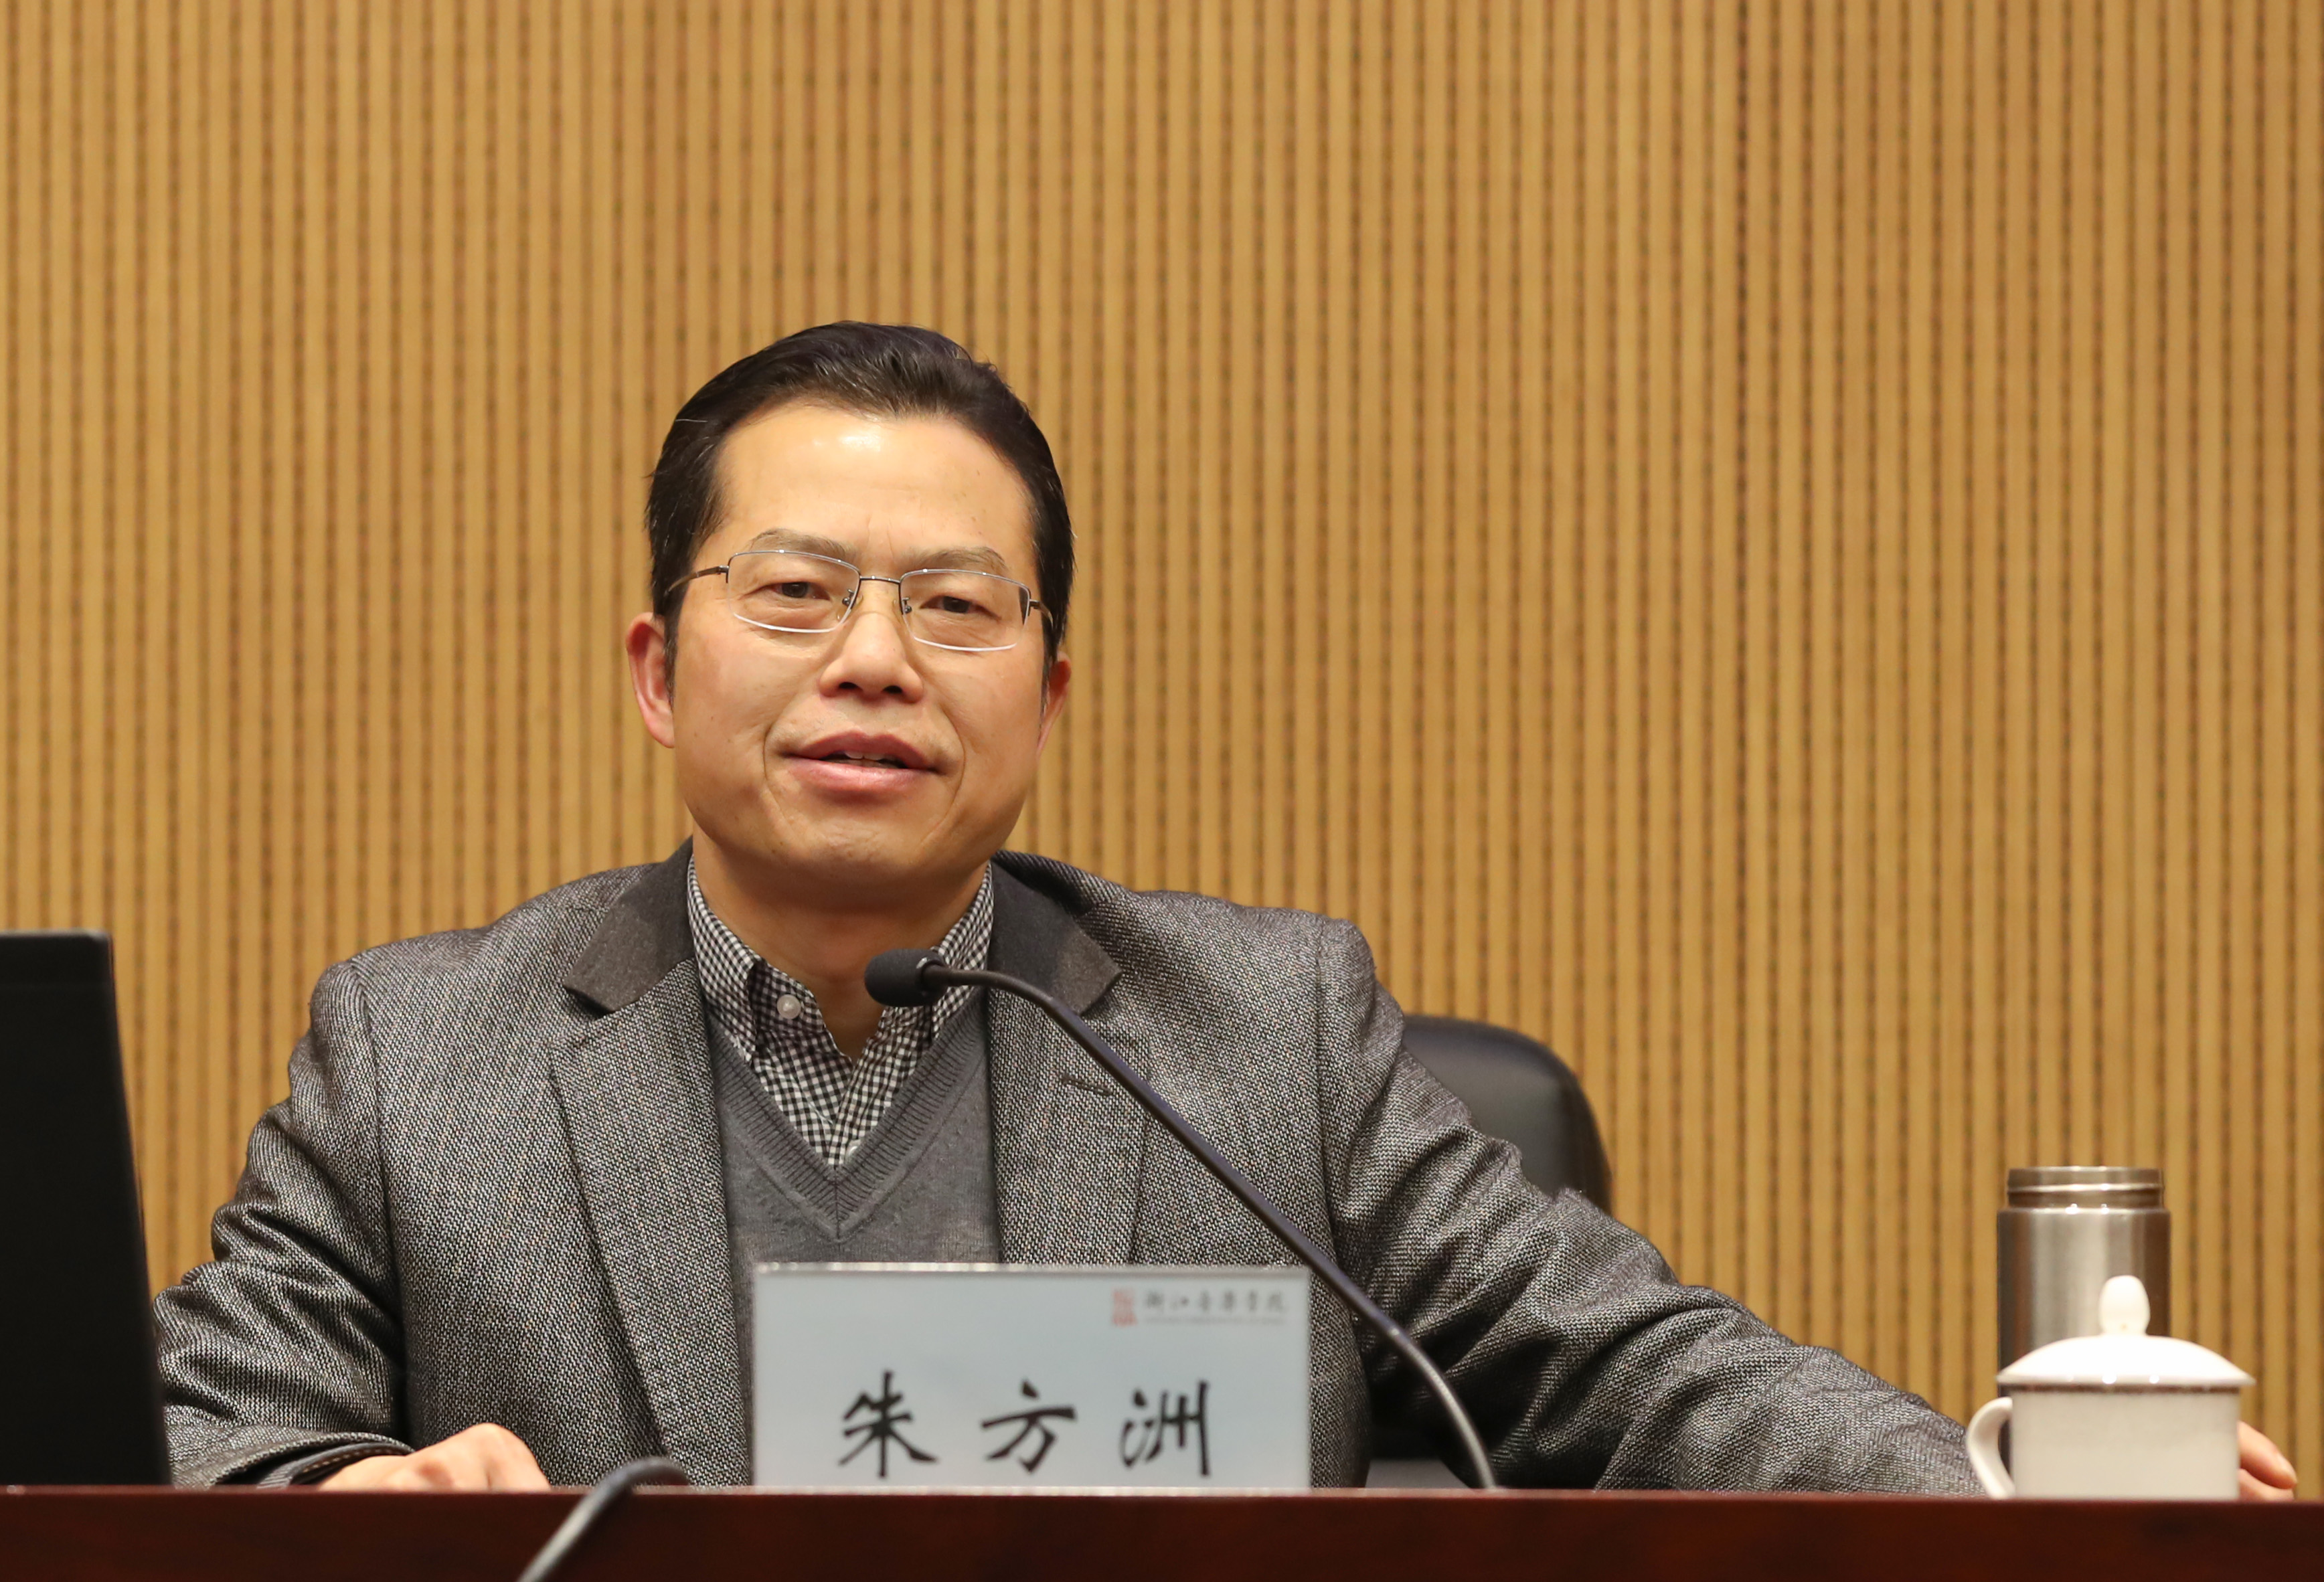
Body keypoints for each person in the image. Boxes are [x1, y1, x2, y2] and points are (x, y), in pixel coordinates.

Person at [153, 323, 2299, 1498]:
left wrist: (1995, 1489)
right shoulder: (423, 1052)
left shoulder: (1259, 1030)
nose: (874, 660)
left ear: (1049, 691)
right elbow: (186, 1427)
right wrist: (334, 1502)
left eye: (956, 606)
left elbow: (1631, 1366)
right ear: (656, 664)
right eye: (796, 591)